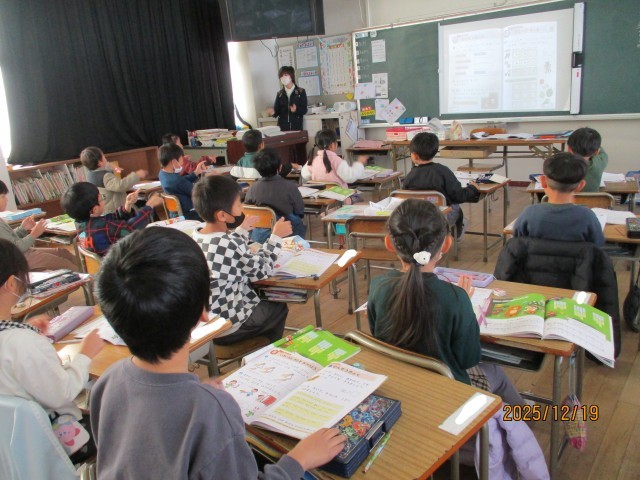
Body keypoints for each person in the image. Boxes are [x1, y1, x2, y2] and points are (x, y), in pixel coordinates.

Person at [90, 227, 346, 478]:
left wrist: (198, 396)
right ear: (204, 313)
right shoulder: (210, 412)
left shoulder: (107, 382)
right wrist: (298, 460)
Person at [367, 199, 524, 407]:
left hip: (399, 385)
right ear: (447, 244)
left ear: (389, 243)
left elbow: (380, 339)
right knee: (495, 372)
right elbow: (469, 359)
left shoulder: (378, 286)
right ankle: (525, 418)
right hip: (448, 394)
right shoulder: (455, 298)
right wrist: (463, 302)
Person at [0, 239, 105, 462]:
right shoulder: (21, 342)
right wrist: (85, 354)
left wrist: (26, 329)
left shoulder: (18, 338)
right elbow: (64, 392)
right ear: (11, 283)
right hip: (49, 442)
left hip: (9, 446)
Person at [191, 175, 292, 345]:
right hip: (228, 325)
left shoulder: (197, 236)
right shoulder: (228, 243)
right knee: (277, 306)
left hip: (205, 321)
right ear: (222, 215)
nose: (242, 207)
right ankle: (265, 350)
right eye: (238, 205)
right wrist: (276, 237)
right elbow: (262, 270)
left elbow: (226, 249)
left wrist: (242, 230)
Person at [513, 152, 605, 246]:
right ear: (580, 186)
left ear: (543, 181)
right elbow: (597, 247)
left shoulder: (529, 214)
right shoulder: (587, 217)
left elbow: (517, 244)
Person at [402, 132, 480, 237]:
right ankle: (457, 232)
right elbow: (459, 196)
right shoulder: (443, 171)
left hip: (416, 219)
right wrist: (473, 188)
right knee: (455, 205)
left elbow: (404, 198)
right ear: (435, 151)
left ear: (414, 156)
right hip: (442, 217)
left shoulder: (409, 176)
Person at [61, 182, 162, 255]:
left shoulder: (82, 225)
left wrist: (127, 205)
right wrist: (149, 206)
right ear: (95, 209)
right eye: (101, 199)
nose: (103, 200)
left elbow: (112, 220)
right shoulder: (106, 227)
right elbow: (131, 229)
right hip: (120, 269)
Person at [0, 180, 77, 271]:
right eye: (3, 196)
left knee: (64, 253)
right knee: (65, 264)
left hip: (24, 253)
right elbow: (17, 247)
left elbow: (9, 239)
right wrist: (34, 234)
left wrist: (22, 228)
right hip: (18, 259)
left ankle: (87, 272)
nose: (6, 199)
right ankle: (86, 277)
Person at [244, 149, 306, 242]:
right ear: (280, 167)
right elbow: (300, 211)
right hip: (287, 235)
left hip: (259, 236)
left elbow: (248, 210)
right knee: (297, 220)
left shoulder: (252, 188)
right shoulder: (290, 186)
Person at [81, 146, 148, 214]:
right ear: (99, 162)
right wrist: (136, 176)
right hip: (117, 211)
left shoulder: (90, 174)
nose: (106, 159)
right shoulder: (105, 176)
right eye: (104, 157)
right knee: (143, 209)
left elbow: (104, 165)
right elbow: (120, 186)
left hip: (107, 209)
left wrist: (112, 166)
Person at [158, 142, 208, 220]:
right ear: (174, 161)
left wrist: (195, 173)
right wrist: (208, 179)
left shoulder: (163, 174)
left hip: (175, 214)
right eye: (182, 158)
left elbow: (182, 181)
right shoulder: (177, 181)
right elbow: (198, 192)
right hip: (189, 215)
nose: (183, 162)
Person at [301, 129, 367, 188]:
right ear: (332, 145)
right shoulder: (337, 161)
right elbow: (350, 177)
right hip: (339, 197)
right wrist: (359, 163)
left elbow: (305, 175)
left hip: (321, 196)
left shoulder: (311, 161)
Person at [267, 66, 307, 132]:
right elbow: (276, 112)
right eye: (281, 76)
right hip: (282, 127)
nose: (283, 78)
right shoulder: (279, 94)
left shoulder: (301, 91)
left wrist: (296, 110)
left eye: (285, 75)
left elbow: (304, 110)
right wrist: (273, 112)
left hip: (296, 126)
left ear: (291, 76)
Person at [567, 127, 608, 193]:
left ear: (569, 149)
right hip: (594, 200)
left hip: (568, 199)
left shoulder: (561, 166)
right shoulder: (600, 162)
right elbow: (601, 151)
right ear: (596, 152)